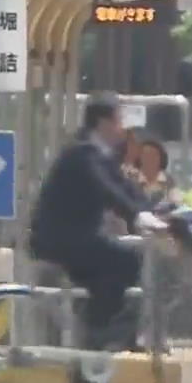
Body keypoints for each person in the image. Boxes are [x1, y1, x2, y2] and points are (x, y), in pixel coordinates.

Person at [28, 93, 167, 354]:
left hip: (78, 238)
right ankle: (96, 337)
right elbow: (107, 190)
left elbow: (126, 189)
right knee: (125, 261)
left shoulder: (102, 155)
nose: (123, 129)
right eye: (118, 121)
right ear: (103, 123)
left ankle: (104, 335)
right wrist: (137, 217)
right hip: (58, 240)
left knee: (115, 269)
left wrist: (159, 211)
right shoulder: (82, 154)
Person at [136, 137, 181, 207]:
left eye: (153, 155)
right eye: (145, 155)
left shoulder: (169, 180)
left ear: (161, 158)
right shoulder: (132, 179)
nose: (149, 158)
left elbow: (177, 203)